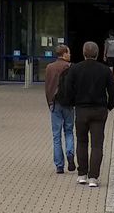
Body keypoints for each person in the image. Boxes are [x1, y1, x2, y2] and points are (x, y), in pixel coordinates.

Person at [59, 41, 114, 188]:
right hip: (99, 110)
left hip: (81, 110)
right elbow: (113, 91)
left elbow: (68, 89)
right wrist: (109, 106)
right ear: (97, 54)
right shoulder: (105, 70)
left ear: (83, 53)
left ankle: (82, 175)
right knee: (97, 145)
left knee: (82, 142)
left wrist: (72, 103)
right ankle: (93, 177)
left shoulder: (75, 69)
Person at [43, 44, 75, 175]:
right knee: (69, 131)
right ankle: (70, 152)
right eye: (69, 52)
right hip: (68, 104)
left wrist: (49, 102)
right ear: (64, 54)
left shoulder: (49, 67)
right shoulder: (70, 67)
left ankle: (59, 165)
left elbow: (47, 86)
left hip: (55, 103)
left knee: (56, 135)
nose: (70, 55)